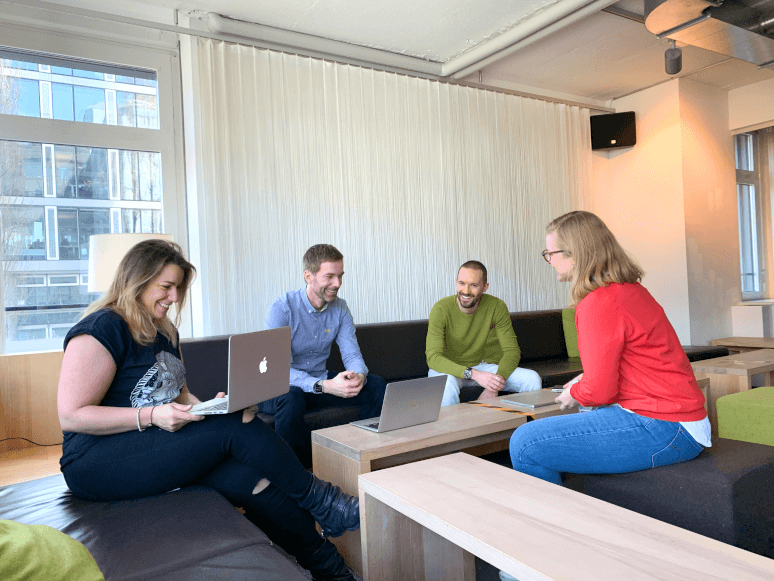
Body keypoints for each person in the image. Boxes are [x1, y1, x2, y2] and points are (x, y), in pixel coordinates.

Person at [57, 239, 358, 581]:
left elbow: (183, 395)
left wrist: (213, 407)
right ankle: (324, 502)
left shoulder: (164, 330)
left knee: (251, 479)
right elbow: (72, 414)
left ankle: (332, 571)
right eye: (166, 287)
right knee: (235, 427)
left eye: (178, 289)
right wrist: (153, 415)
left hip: (149, 444)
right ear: (136, 280)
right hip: (94, 461)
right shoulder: (103, 327)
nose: (174, 298)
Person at [509, 210, 711, 485]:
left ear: (575, 254)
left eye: (551, 253)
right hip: (682, 421)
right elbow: (633, 357)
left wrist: (576, 392)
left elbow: (599, 392)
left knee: (525, 443)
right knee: (575, 422)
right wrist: (584, 381)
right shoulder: (629, 290)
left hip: (665, 427)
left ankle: (556, 514)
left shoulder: (597, 303)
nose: (549, 261)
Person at [258, 244, 387, 466]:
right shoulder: (282, 309)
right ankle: (294, 474)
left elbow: (352, 354)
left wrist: (358, 376)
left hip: (317, 379)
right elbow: (278, 371)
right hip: (277, 386)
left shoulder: (340, 308)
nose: (337, 283)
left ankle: (358, 457)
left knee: (375, 385)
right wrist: (324, 386)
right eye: (330, 276)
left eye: (340, 276)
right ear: (308, 276)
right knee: (292, 397)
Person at [426, 260, 541, 407]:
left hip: (479, 367)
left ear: (485, 287)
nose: (466, 291)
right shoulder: (441, 309)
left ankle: (524, 422)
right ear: (456, 282)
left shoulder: (496, 306)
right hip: (447, 370)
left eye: (473, 285)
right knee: (447, 386)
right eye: (461, 283)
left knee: (532, 379)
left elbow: (512, 351)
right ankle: (454, 424)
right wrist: (474, 374)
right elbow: (433, 358)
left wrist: (493, 386)